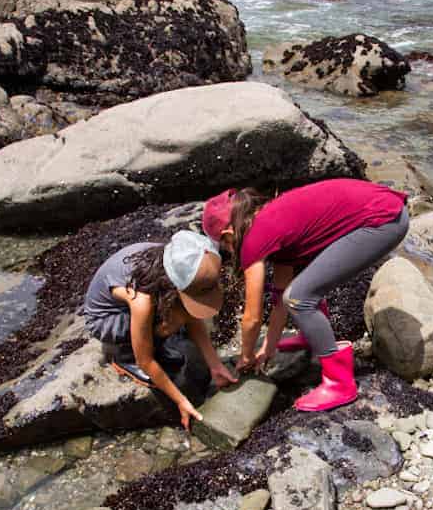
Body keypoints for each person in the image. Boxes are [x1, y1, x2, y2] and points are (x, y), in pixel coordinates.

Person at [202, 178, 408, 412]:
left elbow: (252, 317)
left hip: (382, 222)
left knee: (299, 298)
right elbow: (281, 296)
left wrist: (246, 357)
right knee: (297, 293)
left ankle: (339, 383)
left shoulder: (253, 240)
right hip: (385, 209)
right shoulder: (268, 218)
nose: (229, 251)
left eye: (225, 244)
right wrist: (269, 346)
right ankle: (312, 335)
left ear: (229, 232)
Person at [82, 230, 237, 429]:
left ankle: (157, 336)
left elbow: (192, 317)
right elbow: (145, 361)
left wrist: (215, 364)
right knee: (170, 323)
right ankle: (123, 356)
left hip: (144, 302)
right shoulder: (142, 301)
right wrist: (181, 400)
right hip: (107, 318)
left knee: (177, 317)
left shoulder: (175, 261)